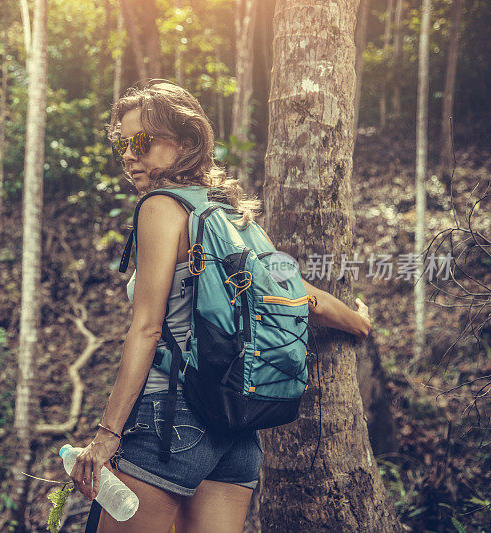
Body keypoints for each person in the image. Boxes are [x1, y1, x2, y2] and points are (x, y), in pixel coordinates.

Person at [68, 81, 371, 533]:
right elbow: (304, 297)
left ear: (186, 143)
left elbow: (147, 329)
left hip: (169, 423)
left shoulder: (160, 207)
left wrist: (106, 436)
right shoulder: (231, 216)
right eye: (123, 144)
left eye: (141, 142)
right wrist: (360, 323)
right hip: (236, 430)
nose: (129, 155)